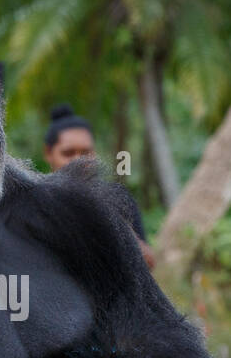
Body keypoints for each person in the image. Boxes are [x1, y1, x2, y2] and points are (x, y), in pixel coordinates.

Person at [43, 103, 155, 269]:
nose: (79, 161)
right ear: (48, 153)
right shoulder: (37, 203)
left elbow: (149, 263)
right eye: (68, 153)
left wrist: (120, 229)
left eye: (86, 152)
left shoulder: (117, 199)